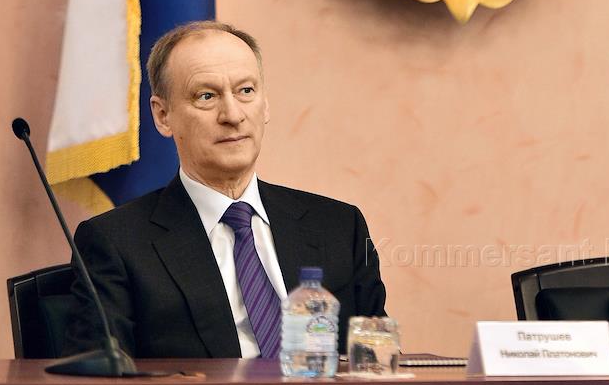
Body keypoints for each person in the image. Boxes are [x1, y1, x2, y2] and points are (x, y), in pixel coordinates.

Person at [64, 21, 387, 358]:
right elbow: (102, 374)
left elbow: (377, 358)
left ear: (265, 104)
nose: (232, 115)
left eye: (246, 91)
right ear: (163, 116)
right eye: (206, 96)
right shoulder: (116, 242)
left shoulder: (338, 226)